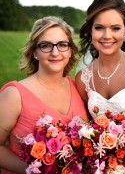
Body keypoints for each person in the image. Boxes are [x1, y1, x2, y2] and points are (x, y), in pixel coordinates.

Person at [0, 16, 88, 173]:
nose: (55, 52)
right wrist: (34, 170)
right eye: (46, 46)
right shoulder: (14, 95)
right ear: (35, 52)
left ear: (70, 51)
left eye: (62, 45)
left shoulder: (77, 87)